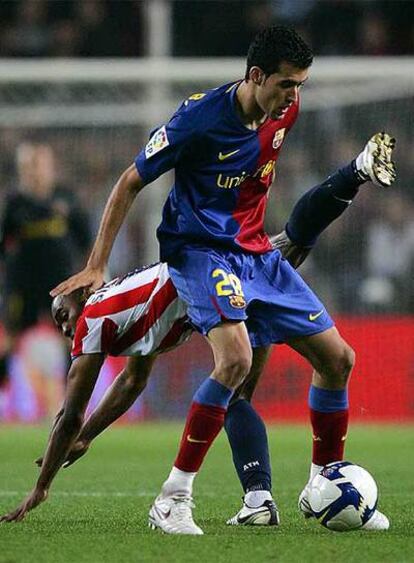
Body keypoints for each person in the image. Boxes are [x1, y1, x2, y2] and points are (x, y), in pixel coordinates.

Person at [50, 25, 396, 535]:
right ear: (256, 76)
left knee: (339, 358)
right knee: (234, 362)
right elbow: (129, 182)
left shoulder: (285, 112)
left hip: (256, 254)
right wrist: (97, 264)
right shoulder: (197, 119)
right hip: (199, 253)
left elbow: (260, 190)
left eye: (300, 86)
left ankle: (326, 480)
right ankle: (173, 498)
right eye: (286, 85)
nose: (293, 97)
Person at [0, 142, 396, 527]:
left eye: (63, 313)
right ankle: (261, 498)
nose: (65, 326)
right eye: (59, 323)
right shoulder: (127, 318)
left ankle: (354, 171)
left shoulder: (94, 321)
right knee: (241, 380)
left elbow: (68, 416)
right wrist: (89, 436)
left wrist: (42, 486)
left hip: (209, 267)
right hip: (206, 277)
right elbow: (133, 380)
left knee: (288, 251)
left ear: (82, 294)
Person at [0, 142, 92, 386]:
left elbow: (85, 238)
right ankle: (5, 394)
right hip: (23, 281)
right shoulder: (14, 202)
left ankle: (71, 393)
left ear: (50, 167)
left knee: (69, 334)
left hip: (59, 280)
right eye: (28, 166)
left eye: (37, 165)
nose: (33, 171)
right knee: (10, 336)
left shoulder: (66, 198)